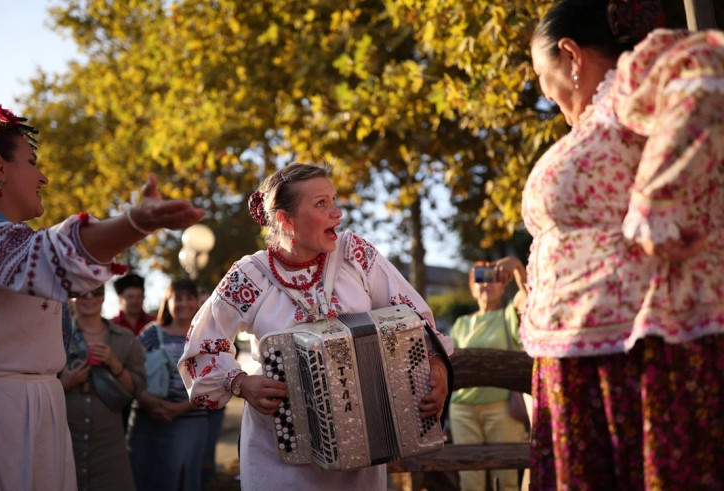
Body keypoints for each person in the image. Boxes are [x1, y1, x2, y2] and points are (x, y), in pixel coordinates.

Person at [0, 104, 205, 490]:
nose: (43, 177)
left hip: (23, 407)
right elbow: (54, 258)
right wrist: (137, 220)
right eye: (32, 161)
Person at [524, 1, 724, 488]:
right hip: (584, 356)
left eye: (540, 78)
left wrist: (656, 203)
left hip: (638, 354)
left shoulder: (628, 82)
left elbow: (708, 68)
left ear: (570, 55)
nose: (547, 97)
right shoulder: (600, 116)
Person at [177, 162, 454, 491]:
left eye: (334, 200)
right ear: (286, 220)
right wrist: (240, 383)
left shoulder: (356, 256)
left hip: (363, 451)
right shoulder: (250, 275)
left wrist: (437, 368)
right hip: (279, 456)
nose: (337, 213)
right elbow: (201, 348)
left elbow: (415, 320)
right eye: (321, 203)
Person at [448, 257, 528, 491]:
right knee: (470, 481)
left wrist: (517, 268)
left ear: (503, 285)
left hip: (502, 408)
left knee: (506, 481)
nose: (486, 284)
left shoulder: (510, 315)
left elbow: (531, 297)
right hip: (462, 409)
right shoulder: (461, 323)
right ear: (472, 288)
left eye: (493, 278)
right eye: (480, 279)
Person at [60, 284, 146, 491]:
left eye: (96, 292)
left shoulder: (125, 339)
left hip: (109, 440)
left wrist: (115, 366)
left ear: (103, 297)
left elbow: (137, 389)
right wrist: (66, 382)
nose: (89, 297)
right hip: (67, 435)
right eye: (82, 292)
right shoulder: (58, 336)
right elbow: (39, 383)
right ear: (73, 297)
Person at [128, 278, 209, 491]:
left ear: (196, 302)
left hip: (190, 421)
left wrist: (179, 408)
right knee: (143, 476)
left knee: (183, 479)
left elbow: (213, 380)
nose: (183, 304)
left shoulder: (207, 336)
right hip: (148, 418)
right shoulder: (152, 332)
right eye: (178, 299)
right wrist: (148, 401)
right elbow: (131, 370)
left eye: (188, 298)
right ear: (168, 302)